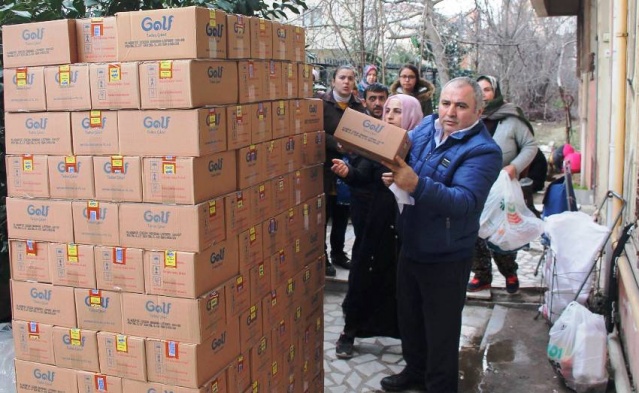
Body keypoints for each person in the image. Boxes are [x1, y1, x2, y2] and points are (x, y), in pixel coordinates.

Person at [379, 77, 502, 392]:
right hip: (412, 242)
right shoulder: (427, 126)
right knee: (411, 320)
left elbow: (465, 201)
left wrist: (415, 184)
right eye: (446, 103)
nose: (450, 112)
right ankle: (416, 372)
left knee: (441, 331)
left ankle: (439, 385)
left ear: (477, 109)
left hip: (447, 254)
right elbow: (402, 155)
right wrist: (393, 173)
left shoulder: (484, 151)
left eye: (461, 106)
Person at [330, 94, 424, 359]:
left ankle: (409, 339)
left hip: (408, 227)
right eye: (388, 110)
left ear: (411, 115)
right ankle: (350, 331)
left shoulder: (420, 148)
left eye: (398, 111)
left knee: (402, 283)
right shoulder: (378, 143)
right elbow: (363, 176)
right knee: (363, 274)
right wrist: (348, 173)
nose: (390, 115)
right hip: (378, 223)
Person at [467, 75, 539, 294]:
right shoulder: (470, 116)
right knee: (474, 233)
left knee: (503, 231)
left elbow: (530, 145)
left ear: (495, 92)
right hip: (475, 185)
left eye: (487, 90)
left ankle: (510, 273)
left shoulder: (511, 118)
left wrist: (514, 167)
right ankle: (482, 276)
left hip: (504, 186)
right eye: (479, 90)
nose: (483, 95)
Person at [319, 65, 366, 276]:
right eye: (342, 78)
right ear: (333, 81)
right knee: (324, 215)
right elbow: (312, 131)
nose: (346, 82)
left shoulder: (358, 106)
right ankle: (323, 256)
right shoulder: (322, 104)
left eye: (350, 78)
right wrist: (334, 143)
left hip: (349, 169)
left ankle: (339, 253)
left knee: (342, 214)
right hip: (326, 169)